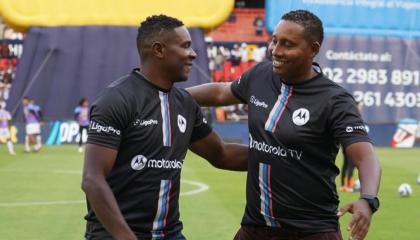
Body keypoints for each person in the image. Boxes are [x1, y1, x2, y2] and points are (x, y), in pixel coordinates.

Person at [187, 10, 381, 240]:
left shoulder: (335, 100)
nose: (276, 51)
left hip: (312, 231)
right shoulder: (260, 75)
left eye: (288, 44)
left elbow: (365, 157)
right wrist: (173, 97)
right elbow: (221, 93)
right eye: (274, 40)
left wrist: (368, 200)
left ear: (314, 49)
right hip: (255, 228)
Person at [81, 15, 248, 240]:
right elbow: (93, 179)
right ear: (159, 50)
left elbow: (222, 154)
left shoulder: (185, 103)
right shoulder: (117, 99)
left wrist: (284, 158)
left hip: (170, 234)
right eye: (185, 46)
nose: (193, 54)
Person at [340, 102, 364, 193]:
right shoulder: (354, 115)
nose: (361, 108)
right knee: (351, 164)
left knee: (346, 164)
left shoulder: (347, 114)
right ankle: (349, 187)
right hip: (351, 143)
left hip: (344, 143)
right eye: (360, 106)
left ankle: (343, 186)